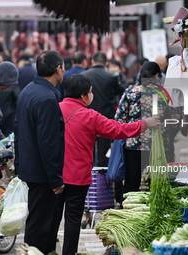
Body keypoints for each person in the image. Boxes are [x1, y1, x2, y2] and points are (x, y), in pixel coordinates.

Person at [57, 74, 160, 255]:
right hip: (77, 177)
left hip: (54, 175)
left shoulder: (54, 109)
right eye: (90, 92)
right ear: (83, 96)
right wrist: (145, 123)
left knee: (52, 218)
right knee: (73, 219)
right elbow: (118, 130)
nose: (91, 95)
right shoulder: (90, 116)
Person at [14, 50, 65, 254]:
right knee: (41, 226)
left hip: (30, 168)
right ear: (58, 69)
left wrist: (19, 166)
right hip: (42, 173)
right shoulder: (47, 99)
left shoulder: (27, 91)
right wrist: (55, 178)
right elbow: (49, 142)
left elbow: (17, 130)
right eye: (63, 68)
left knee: (37, 221)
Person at [115, 62, 181, 197]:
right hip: (159, 145)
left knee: (132, 182)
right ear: (157, 75)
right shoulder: (164, 94)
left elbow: (119, 119)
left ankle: (128, 210)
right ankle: (153, 211)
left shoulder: (130, 92)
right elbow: (175, 120)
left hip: (134, 145)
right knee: (156, 183)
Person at [82, 51, 124, 167]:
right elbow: (120, 92)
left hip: (86, 117)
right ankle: (102, 179)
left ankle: (90, 179)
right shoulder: (111, 77)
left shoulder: (84, 75)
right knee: (103, 153)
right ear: (106, 63)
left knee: (87, 151)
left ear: (92, 61)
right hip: (105, 118)